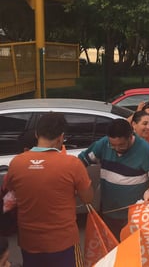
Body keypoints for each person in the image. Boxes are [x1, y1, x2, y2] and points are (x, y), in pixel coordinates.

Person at [6, 112, 93, 267]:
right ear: (61, 137)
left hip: (29, 242)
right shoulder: (72, 164)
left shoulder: (16, 163)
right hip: (63, 242)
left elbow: (10, 195)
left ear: (36, 133)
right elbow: (88, 198)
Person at [78, 118, 149, 240]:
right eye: (113, 146)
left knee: (131, 249)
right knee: (111, 247)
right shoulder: (103, 144)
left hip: (133, 215)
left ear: (130, 137)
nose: (117, 149)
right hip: (108, 211)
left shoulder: (144, 149)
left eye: (121, 145)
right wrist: (79, 181)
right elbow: (81, 161)